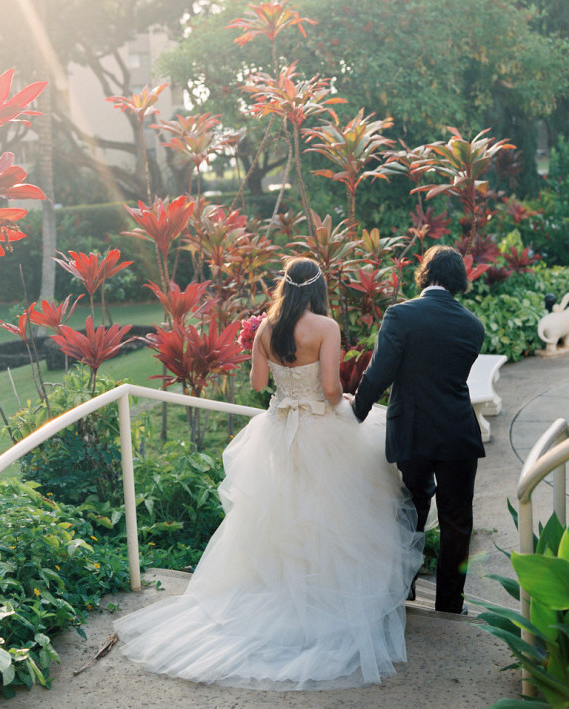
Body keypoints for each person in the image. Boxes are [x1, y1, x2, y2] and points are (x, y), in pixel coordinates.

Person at [115, 256, 423, 690]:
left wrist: (288, 383)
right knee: (332, 514)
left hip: (280, 433)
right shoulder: (326, 328)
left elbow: (260, 386)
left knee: (283, 513)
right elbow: (333, 391)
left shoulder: (265, 329)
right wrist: (344, 399)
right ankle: (326, 597)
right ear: (317, 289)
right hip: (321, 428)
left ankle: (282, 591)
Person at [353, 245, 485, 614]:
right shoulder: (473, 326)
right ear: (459, 280)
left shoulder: (401, 315)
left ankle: (404, 591)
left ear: (424, 273)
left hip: (412, 430)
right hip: (459, 432)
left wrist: (356, 413)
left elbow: (379, 374)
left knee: (411, 509)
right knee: (458, 520)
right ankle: (449, 605)